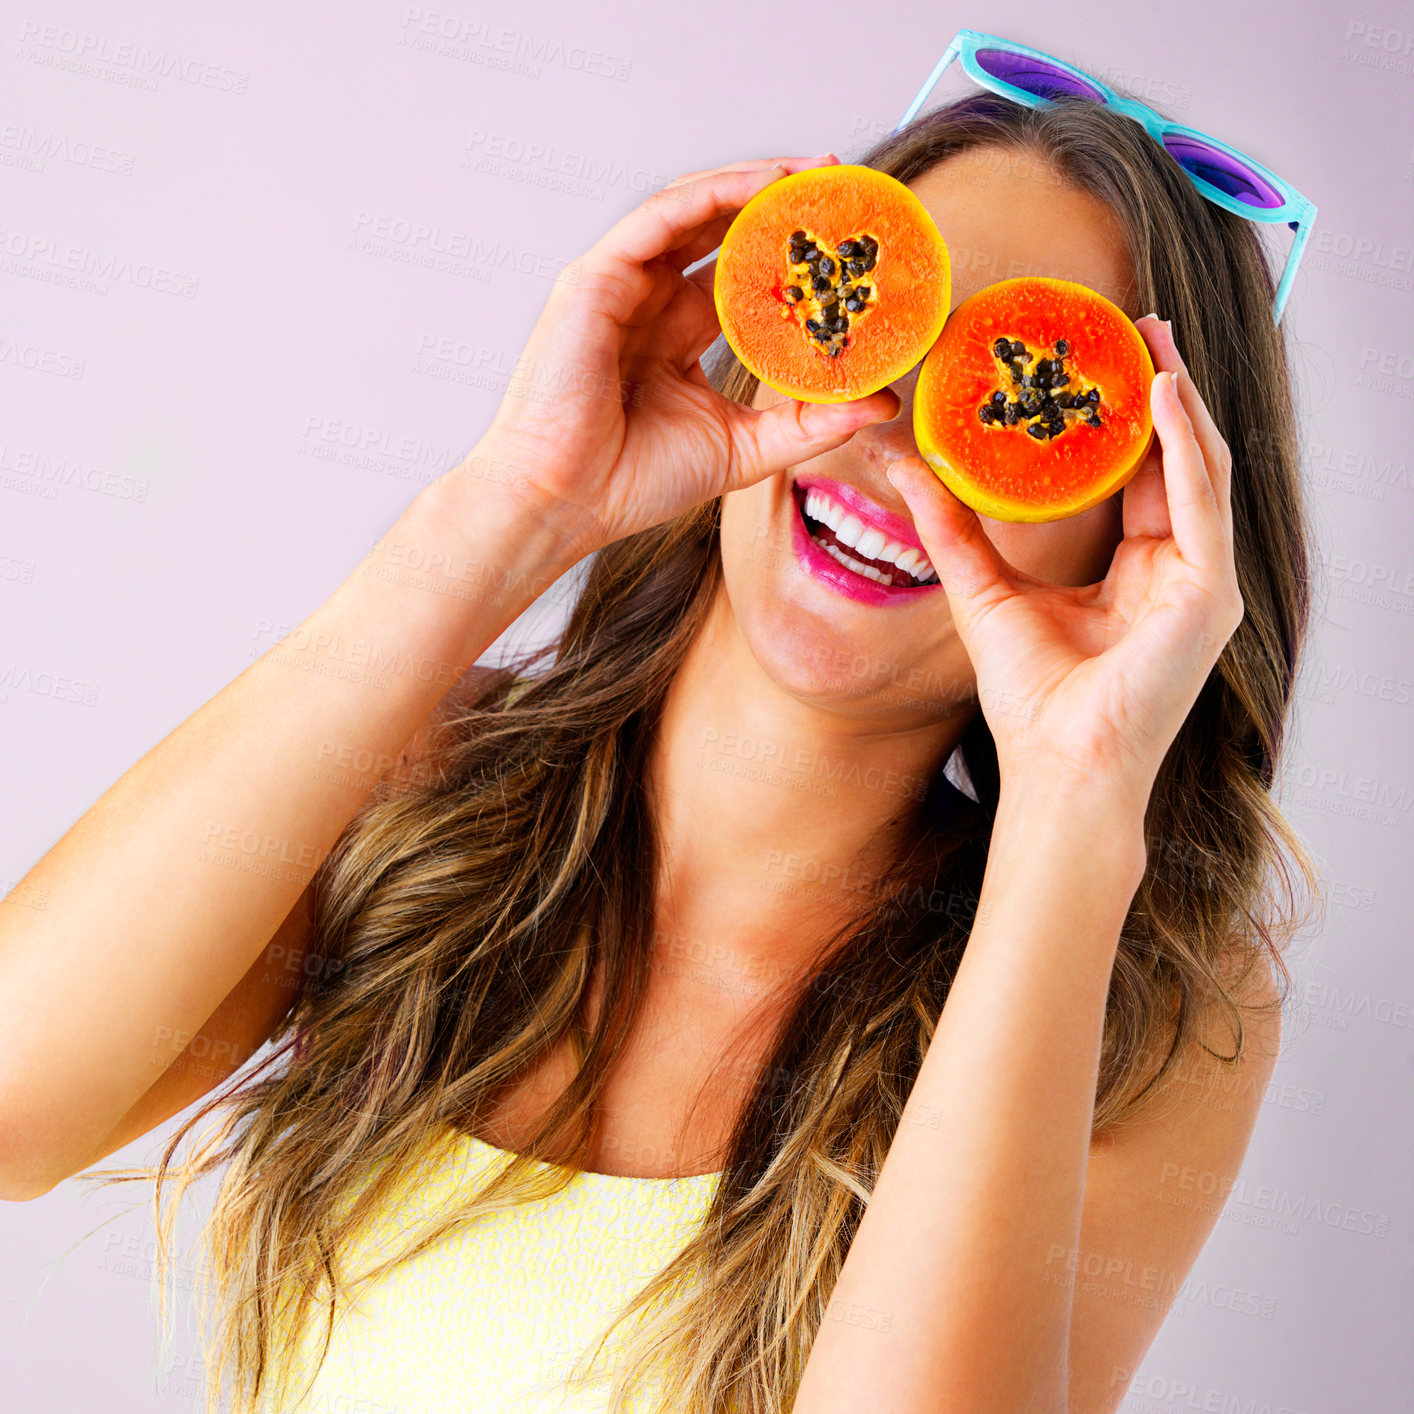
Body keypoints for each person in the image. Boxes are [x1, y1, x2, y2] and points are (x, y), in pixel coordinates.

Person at [0, 91, 1317, 1414]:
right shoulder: (425, 782)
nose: (899, 438)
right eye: (862, 318)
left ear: (1138, 533)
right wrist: (507, 507)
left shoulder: (1145, 1009)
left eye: (1029, 397)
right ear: (756, 342)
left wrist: (1078, 788)